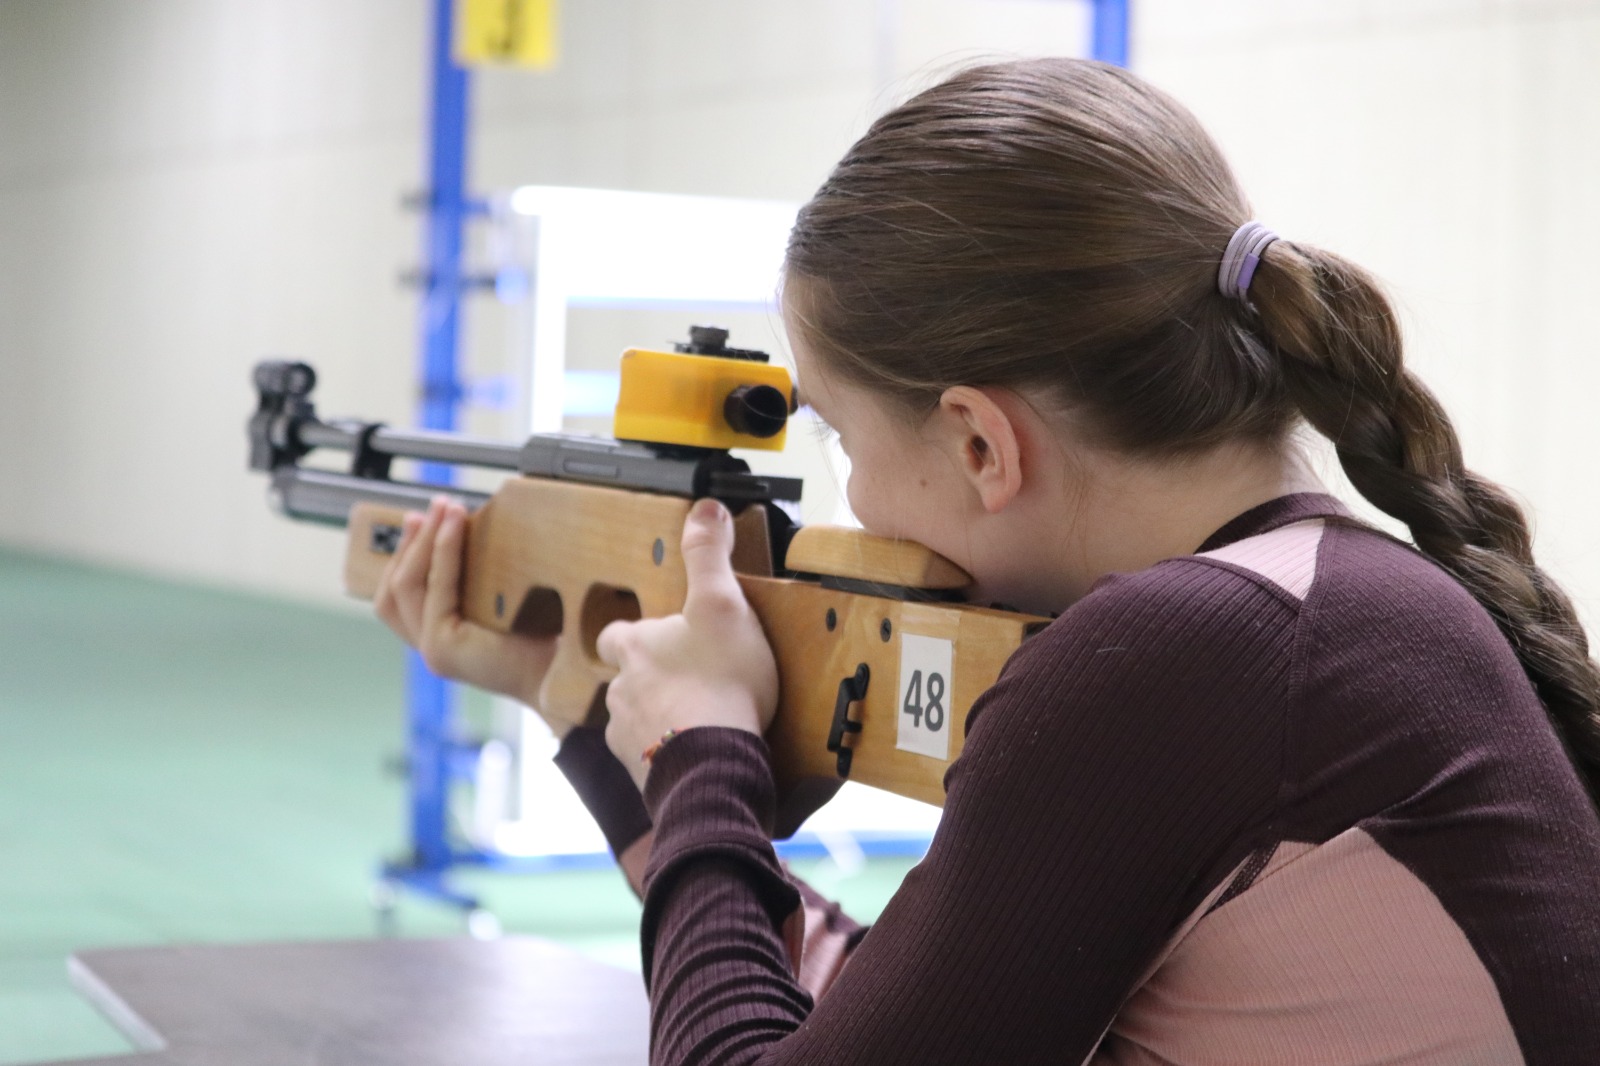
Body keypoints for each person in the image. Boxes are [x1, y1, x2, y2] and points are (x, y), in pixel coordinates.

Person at [374, 58, 1600, 1064]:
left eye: (841, 437)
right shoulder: (1325, 610)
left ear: (977, 441)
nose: (851, 498)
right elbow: (901, 1018)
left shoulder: (1177, 655)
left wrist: (706, 749)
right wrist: (585, 713)